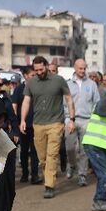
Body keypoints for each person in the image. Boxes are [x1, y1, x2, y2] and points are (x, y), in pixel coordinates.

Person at [19, 56, 76, 199]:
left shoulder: (58, 80)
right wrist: (22, 120)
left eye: (41, 69)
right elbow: (26, 101)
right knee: (42, 158)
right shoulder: (31, 82)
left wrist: (72, 119)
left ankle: (49, 185)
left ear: (46, 66)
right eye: (36, 70)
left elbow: (69, 99)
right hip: (38, 124)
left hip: (56, 123)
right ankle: (49, 177)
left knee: (52, 155)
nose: (39, 72)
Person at [65, 58, 100, 187]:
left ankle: (82, 175)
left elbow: (96, 102)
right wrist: (68, 118)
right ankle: (72, 165)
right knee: (70, 147)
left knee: (84, 149)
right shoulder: (67, 84)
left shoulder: (91, 84)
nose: (83, 71)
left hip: (86, 120)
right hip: (70, 119)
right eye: (80, 68)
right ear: (75, 68)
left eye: (84, 68)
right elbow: (64, 103)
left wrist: (93, 119)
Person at [12, 66, 40, 184]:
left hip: (37, 124)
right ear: (25, 76)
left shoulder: (39, 88)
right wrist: (16, 123)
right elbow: (14, 106)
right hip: (22, 125)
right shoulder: (19, 89)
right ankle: (24, 174)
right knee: (23, 151)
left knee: (35, 151)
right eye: (32, 75)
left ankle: (34, 175)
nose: (34, 77)